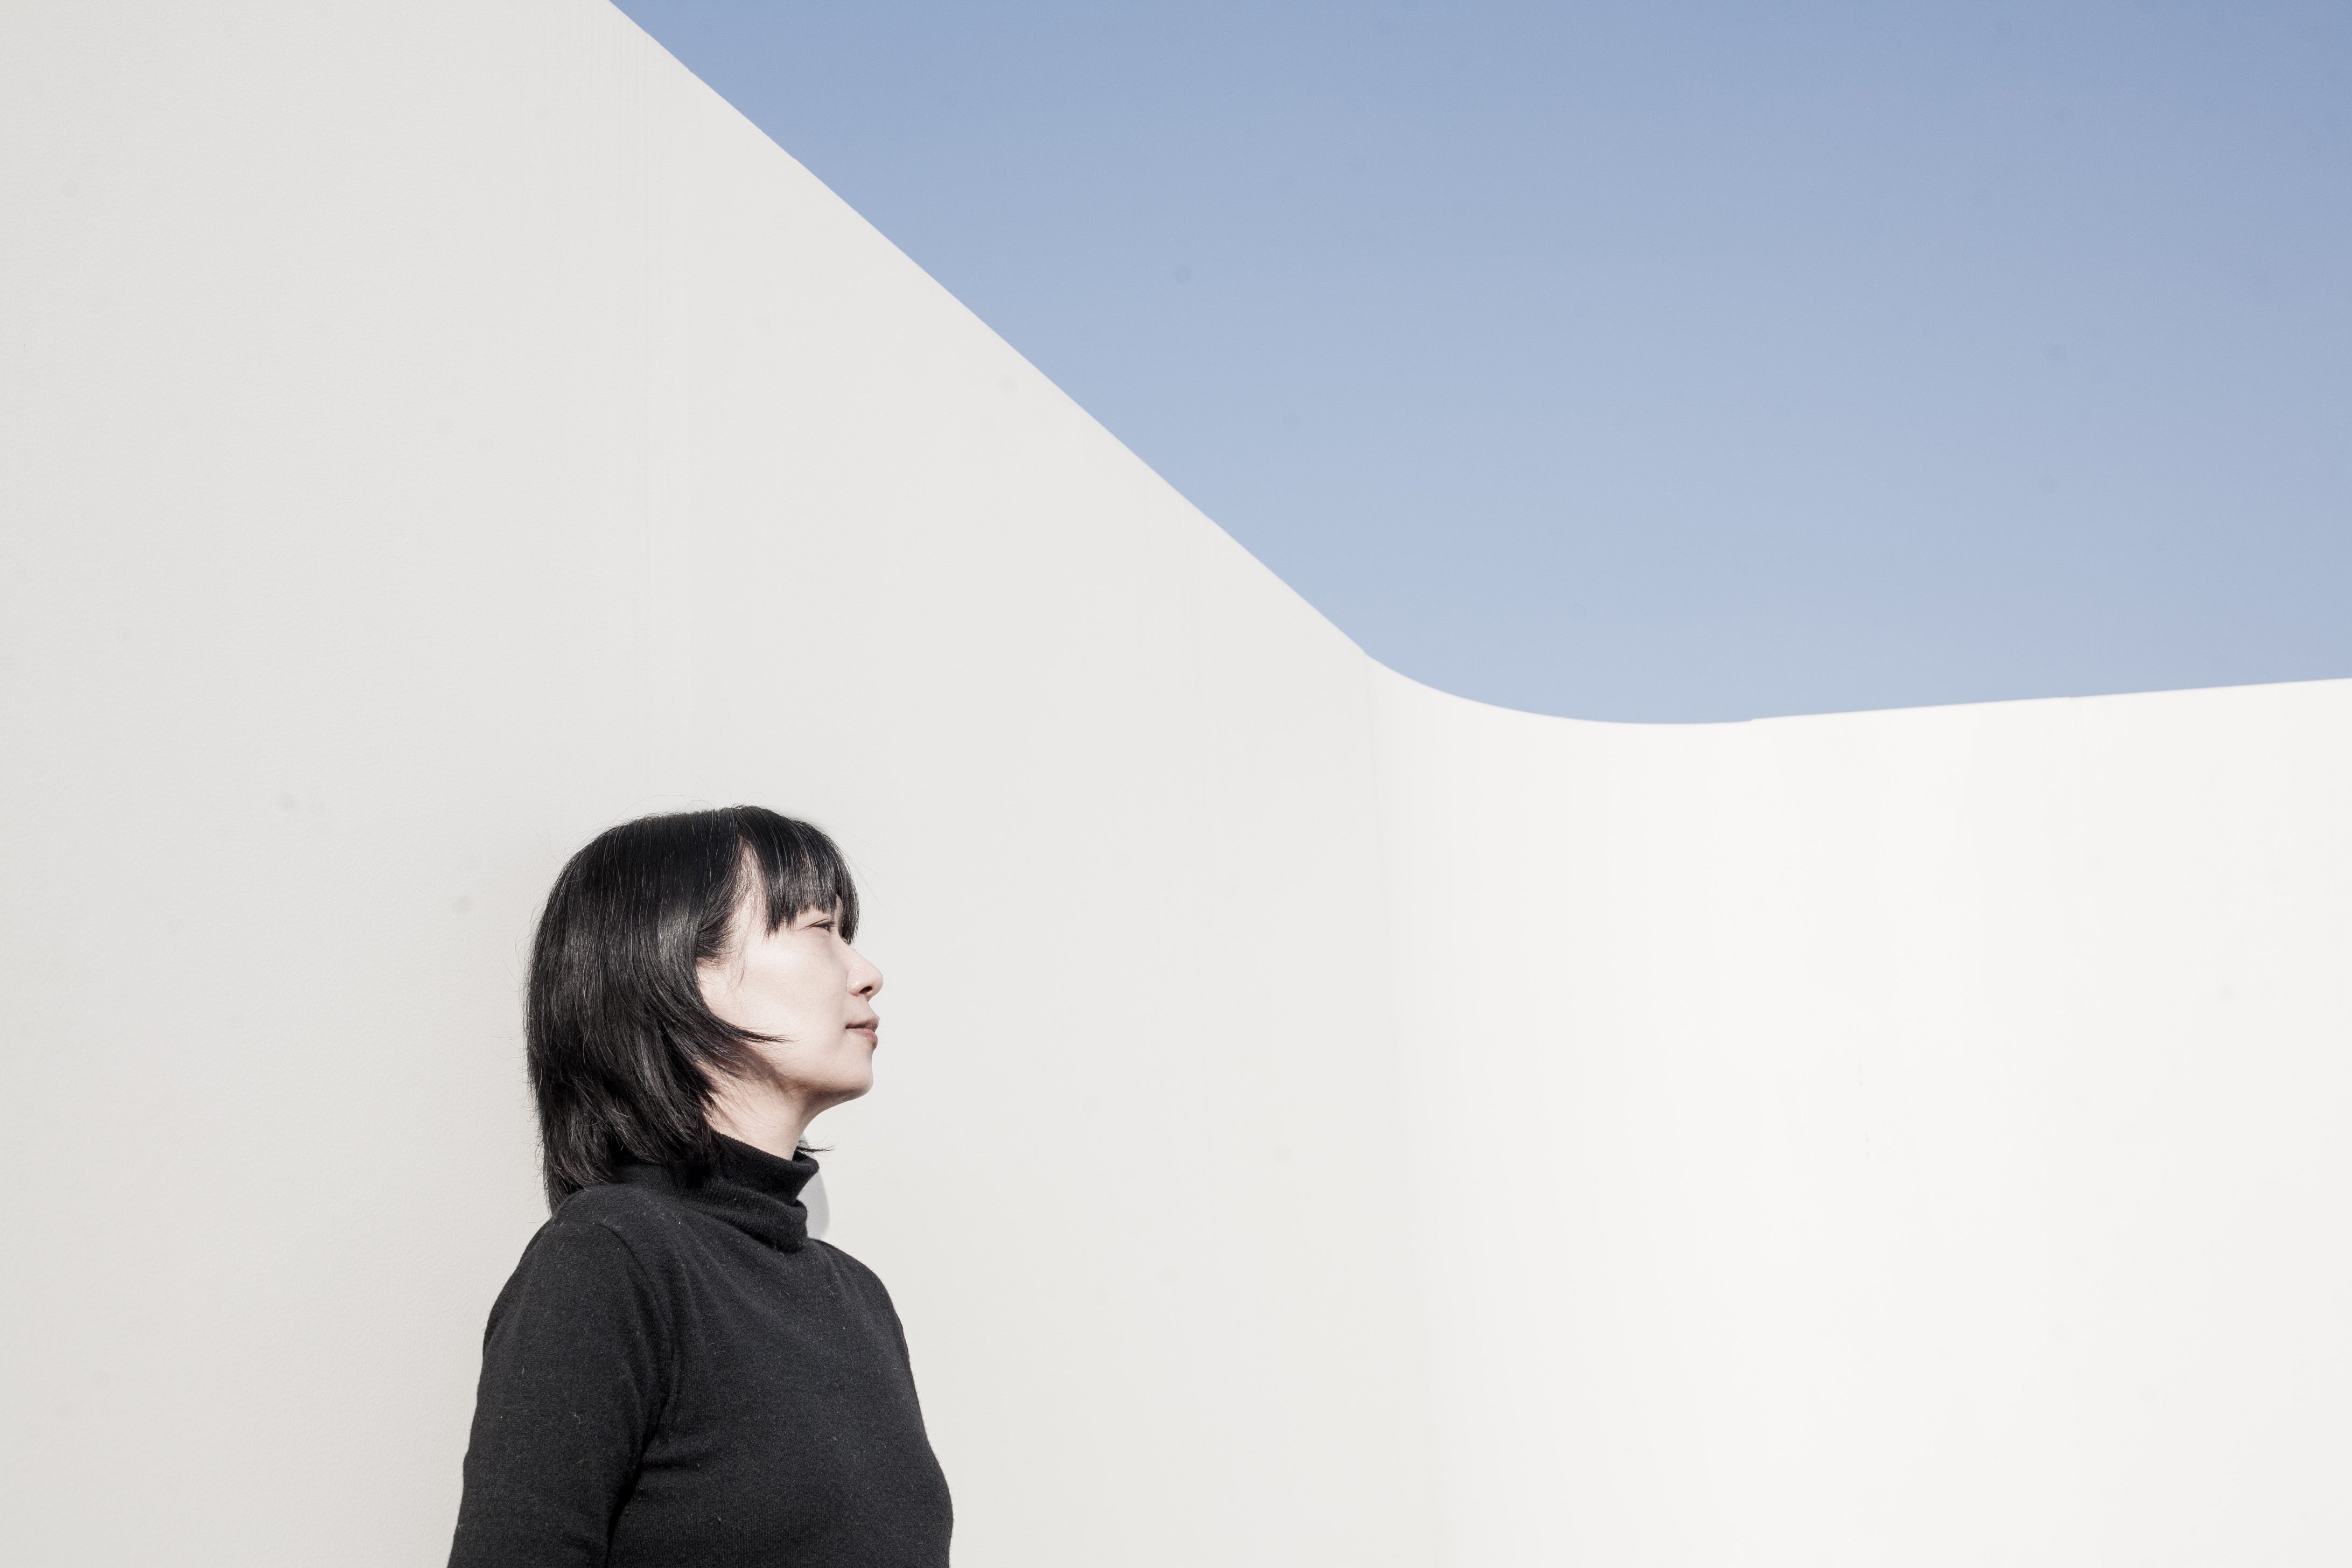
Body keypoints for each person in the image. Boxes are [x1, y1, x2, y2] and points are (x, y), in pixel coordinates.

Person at [448, 806, 951, 1567]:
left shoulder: (859, 1299)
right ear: (678, 969)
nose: (865, 972)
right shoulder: (612, 1256)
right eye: (821, 929)